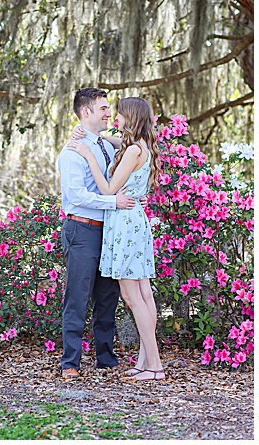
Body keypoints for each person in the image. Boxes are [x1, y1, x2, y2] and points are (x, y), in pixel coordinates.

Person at [68, 96, 164, 381]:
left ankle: (154, 365)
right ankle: (147, 362)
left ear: (130, 117)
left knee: (133, 297)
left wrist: (87, 154)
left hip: (124, 225)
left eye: (118, 113)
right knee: (144, 294)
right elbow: (109, 141)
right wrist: (88, 137)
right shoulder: (139, 146)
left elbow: (108, 189)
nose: (113, 117)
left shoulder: (134, 150)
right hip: (134, 222)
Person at [57, 88, 136, 379]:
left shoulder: (103, 145)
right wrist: (112, 201)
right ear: (86, 112)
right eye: (103, 108)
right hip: (82, 230)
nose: (108, 113)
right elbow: (76, 197)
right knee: (77, 297)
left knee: (108, 297)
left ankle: (106, 358)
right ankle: (71, 364)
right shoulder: (71, 153)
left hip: (110, 232)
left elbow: (133, 146)